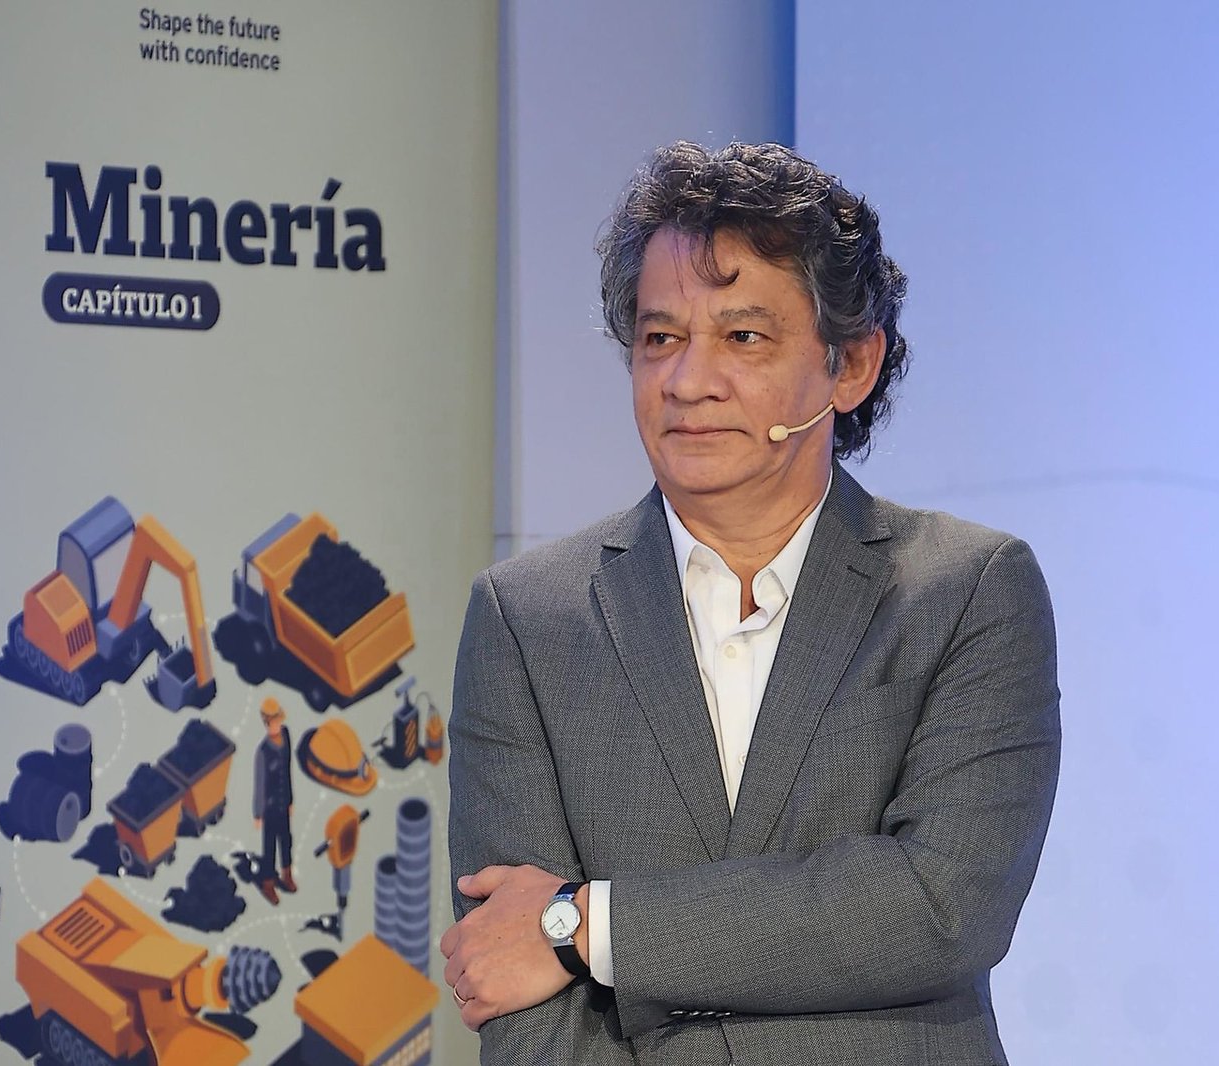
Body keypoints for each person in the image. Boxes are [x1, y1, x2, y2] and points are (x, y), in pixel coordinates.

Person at [440, 141, 1060, 1065]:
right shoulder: (527, 617)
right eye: (660, 339)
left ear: (851, 365)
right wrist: (554, 936)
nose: (688, 382)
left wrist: (586, 923)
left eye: (742, 338)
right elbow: (510, 970)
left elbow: (939, 907)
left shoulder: (967, 589)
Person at [252, 697, 297, 904]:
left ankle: (287, 874)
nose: (277, 725)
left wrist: (290, 799)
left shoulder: (286, 736)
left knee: (286, 840)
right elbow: (259, 784)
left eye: (278, 721)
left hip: (283, 802)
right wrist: (258, 813)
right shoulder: (263, 752)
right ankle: (268, 883)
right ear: (266, 723)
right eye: (273, 722)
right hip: (269, 808)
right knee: (269, 846)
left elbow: (288, 771)